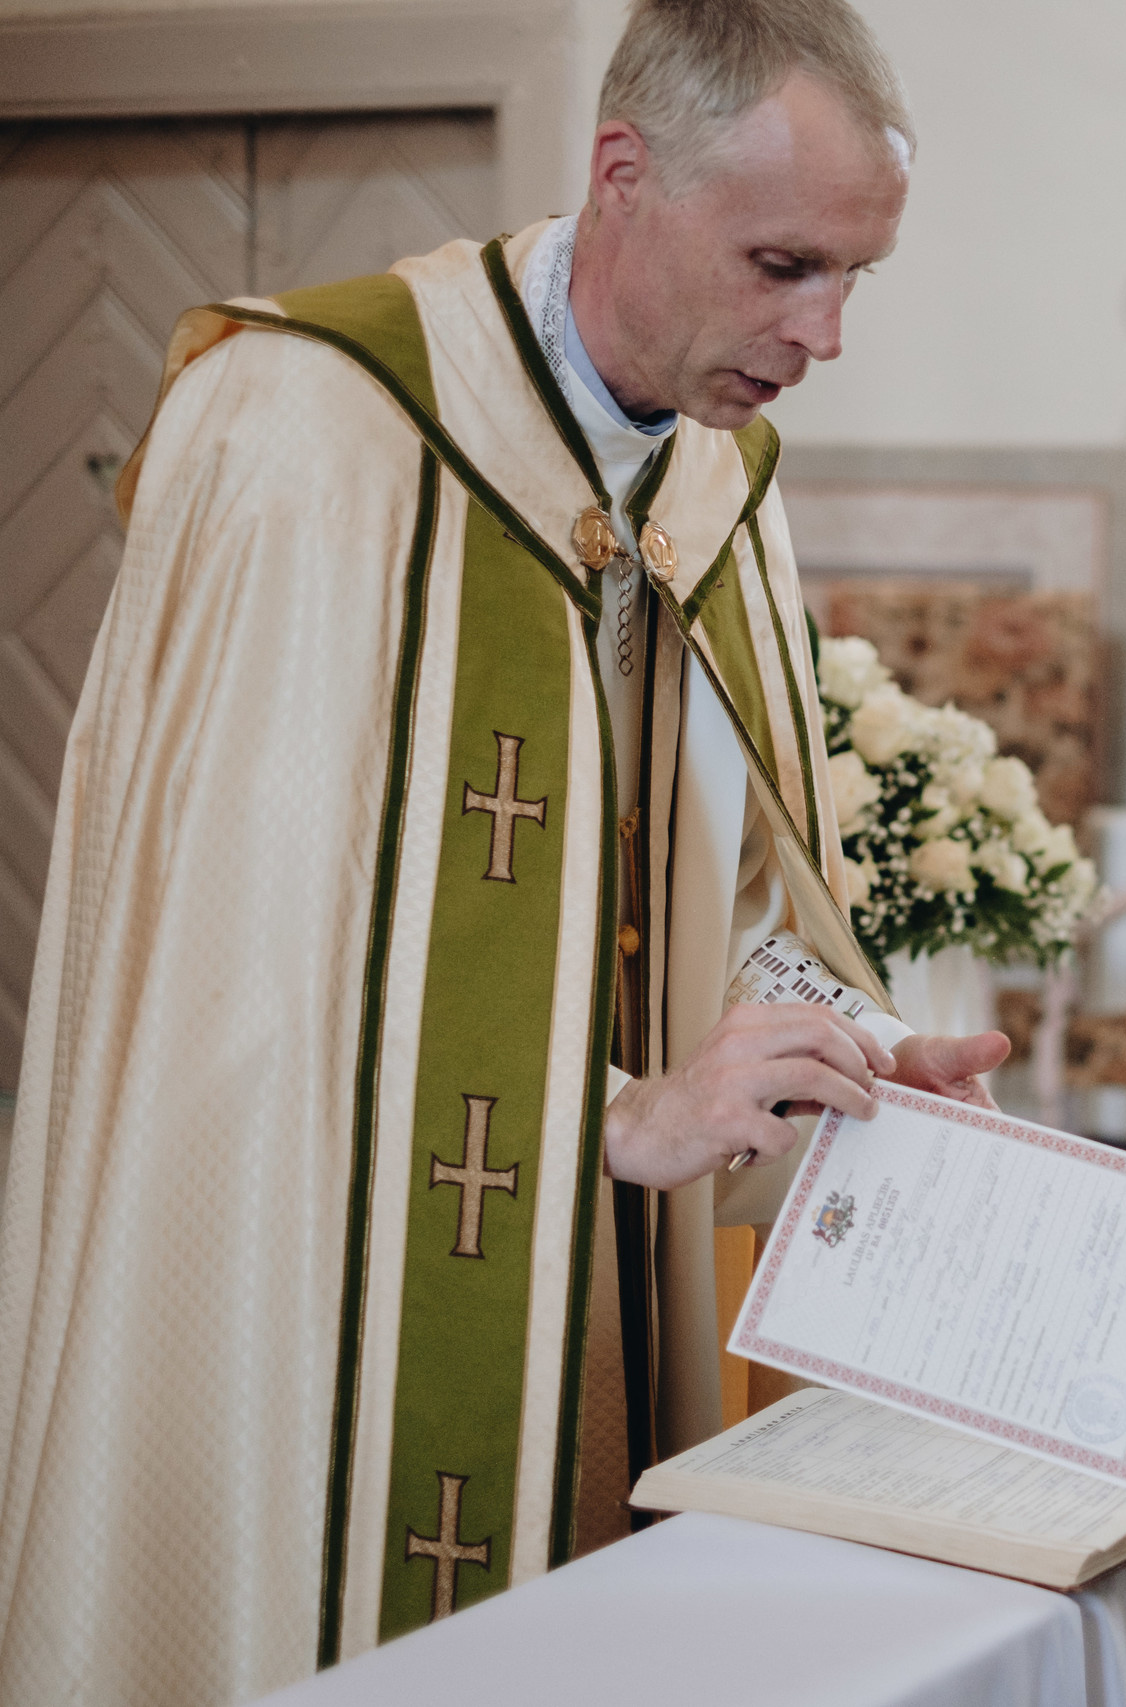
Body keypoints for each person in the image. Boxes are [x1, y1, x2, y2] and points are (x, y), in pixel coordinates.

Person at [0, 1, 1009, 1697]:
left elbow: (736, 891)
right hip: (317, 1317)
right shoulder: (306, 430)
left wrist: (851, 1047)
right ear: (625, 174)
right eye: (783, 264)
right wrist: (612, 1113)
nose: (823, 332)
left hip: (609, 1282)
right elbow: (227, 982)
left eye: (855, 277)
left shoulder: (714, 481)